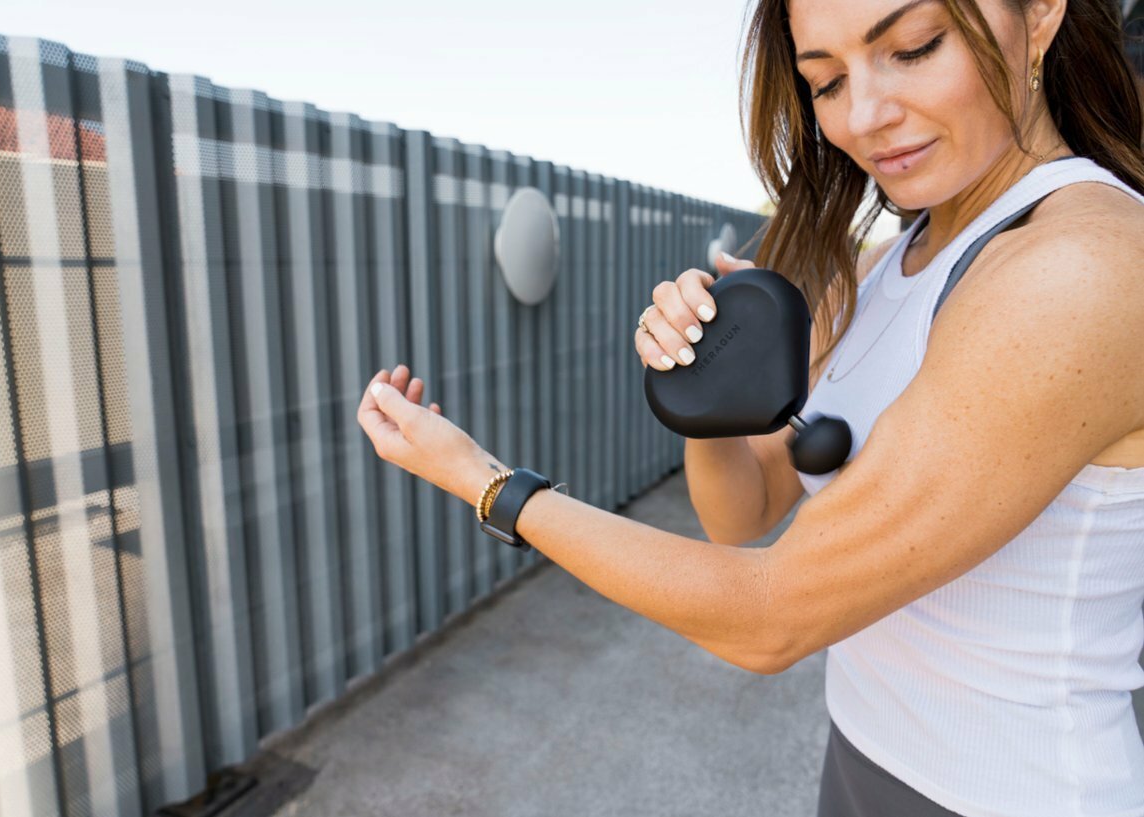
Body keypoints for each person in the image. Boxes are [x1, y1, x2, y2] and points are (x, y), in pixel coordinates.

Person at [356, 0, 1144, 813]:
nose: (863, 117)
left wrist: (484, 480)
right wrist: (717, 392)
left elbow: (768, 615)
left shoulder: (1083, 265)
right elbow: (741, 511)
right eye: (826, 82)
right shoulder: (879, 265)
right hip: (865, 753)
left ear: (1039, 14)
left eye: (913, 47)